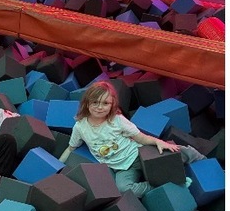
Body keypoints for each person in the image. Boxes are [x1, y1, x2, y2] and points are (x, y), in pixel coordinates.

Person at [59, 81, 205, 196]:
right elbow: (71, 147)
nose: (99, 107)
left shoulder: (117, 120)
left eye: (105, 103)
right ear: (87, 103)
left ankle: (203, 161)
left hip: (138, 155)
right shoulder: (80, 127)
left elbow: (140, 138)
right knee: (123, 189)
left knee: (176, 152)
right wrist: (57, 166)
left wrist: (158, 142)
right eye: (95, 102)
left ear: (112, 105)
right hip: (121, 168)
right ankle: (165, 184)